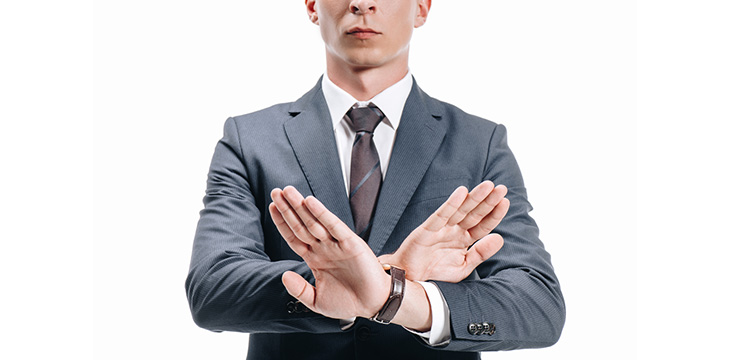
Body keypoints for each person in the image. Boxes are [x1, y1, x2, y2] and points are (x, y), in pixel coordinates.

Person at [185, 1, 565, 359]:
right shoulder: (249, 139)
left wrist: (398, 297)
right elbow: (212, 288)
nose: (362, 3)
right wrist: (339, 283)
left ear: (422, 7)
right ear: (312, 6)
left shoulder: (479, 143)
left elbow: (538, 303)